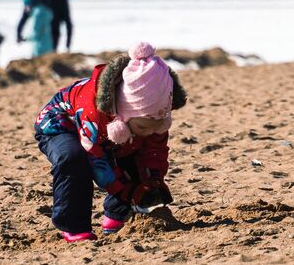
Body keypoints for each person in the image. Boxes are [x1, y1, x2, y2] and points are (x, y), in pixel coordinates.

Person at [33, 41, 186, 242]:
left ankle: (116, 216)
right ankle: (74, 226)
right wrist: (128, 191)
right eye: (144, 126)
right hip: (60, 124)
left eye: (156, 125)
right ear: (123, 114)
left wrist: (152, 181)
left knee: (135, 151)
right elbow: (98, 161)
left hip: (110, 129)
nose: (150, 131)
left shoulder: (153, 116)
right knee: (73, 159)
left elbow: (154, 152)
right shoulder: (94, 112)